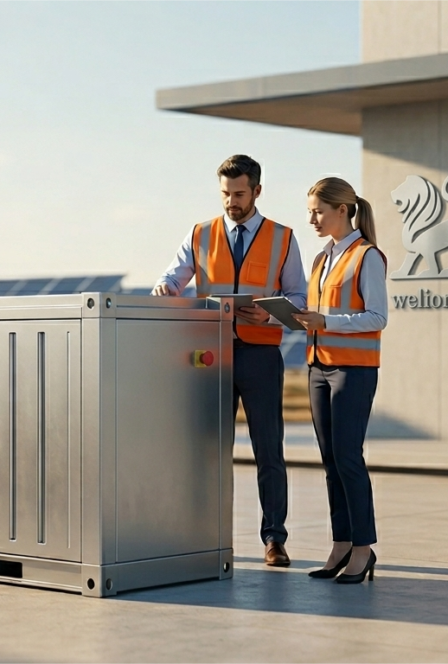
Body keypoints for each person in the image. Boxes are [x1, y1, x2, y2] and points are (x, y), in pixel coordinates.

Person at [153, 154, 306, 566]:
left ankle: (274, 539)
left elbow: (299, 300)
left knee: (268, 450)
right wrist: (166, 288)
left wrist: (268, 312)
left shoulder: (283, 238)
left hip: (260, 356)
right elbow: (172, 277)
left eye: (239, 194)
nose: (231, 202)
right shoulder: (200, 233)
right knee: (206, 450)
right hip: (210, 357)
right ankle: (202, 536)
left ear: (257, 191)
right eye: (225, 194)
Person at [293, 177, 386, 584]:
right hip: (318, 367)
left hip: (353, 370)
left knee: (348, 458)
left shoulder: (367, 256)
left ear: (343, 210)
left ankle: (363, 549)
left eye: (318, 210)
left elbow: (378, 317)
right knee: (331, 461)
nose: (311, 218)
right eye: (310, 211)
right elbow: (318, 310)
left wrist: (326, 321)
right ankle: (341, 544)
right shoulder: (320, 259)